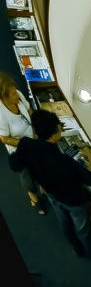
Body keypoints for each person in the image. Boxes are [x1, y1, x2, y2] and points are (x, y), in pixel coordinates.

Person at [9, 109, 91, 268]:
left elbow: (14, 164)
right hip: (74, 201)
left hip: (51, 194)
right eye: (59, 129)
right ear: (53, 135)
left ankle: (76, 249)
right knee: (84, 231)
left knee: (64, 223)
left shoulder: (25, 144)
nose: (61, 130)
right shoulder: (64, 161)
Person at [0, 73, 47, 213]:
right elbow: (5, 138)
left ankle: (42, 187)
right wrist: (27, 144)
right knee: (27, 179)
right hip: (19, 149)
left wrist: (36, 131)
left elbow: (29, 111)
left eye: (16, 91)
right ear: (4, 97)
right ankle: (33, 197)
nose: (17, 95)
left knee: (40, 167)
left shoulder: (18, 94)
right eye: (13, 94)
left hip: (32, 141)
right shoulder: (1, 115)